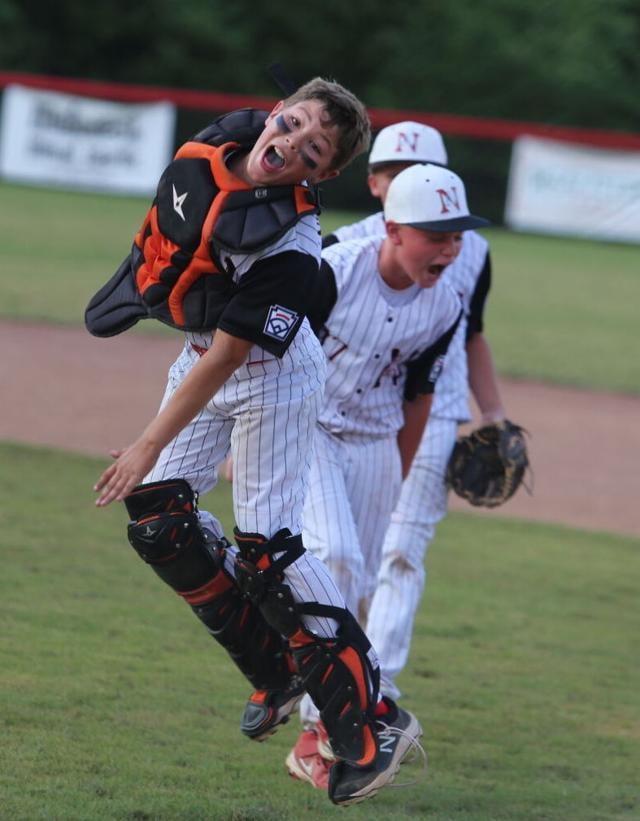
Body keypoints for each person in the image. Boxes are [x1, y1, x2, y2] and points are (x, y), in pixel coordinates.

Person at [88, 79, 422, 807]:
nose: (290, 144)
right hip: (210, 350)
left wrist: (147, 441)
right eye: (292, 123)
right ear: (273, 113)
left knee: (268, 546)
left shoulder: (294, 247)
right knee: (157, 518)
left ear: (322, 173)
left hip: (271, 374)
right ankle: (275, 669)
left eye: (314, 149)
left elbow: (230, 359)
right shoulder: (224, 141)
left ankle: (374, 718)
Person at [284, 160, 490, 789]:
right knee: (337, 558)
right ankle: (318, 709)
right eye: (436, 234)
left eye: (457, 235)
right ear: (395, 229)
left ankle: (315, 735)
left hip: (375, 440)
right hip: (309, 426)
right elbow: (266, 354)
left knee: (362, 588)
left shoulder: (447, 301)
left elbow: (418, 396)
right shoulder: (334, 272)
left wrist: (397, 474)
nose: (450, 248)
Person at [320, 120, 505, 720]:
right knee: (345, 558)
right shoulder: (346, 249)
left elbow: (471, 336)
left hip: (435, 407)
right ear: (377, 184)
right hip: (350, 414)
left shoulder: (468, 251)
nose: (409, 181)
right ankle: (336, 680)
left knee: (399, 553)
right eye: (396, 172)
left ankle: (380, 685)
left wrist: (494, 413)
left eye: (423, 172)